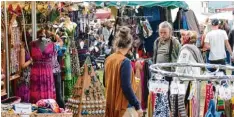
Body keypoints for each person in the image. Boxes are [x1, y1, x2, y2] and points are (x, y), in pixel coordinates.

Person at [104, 26, 143, 117]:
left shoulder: (109, 59)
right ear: (130, 45)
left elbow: (105, 82)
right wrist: (137, 105)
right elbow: (126, 87)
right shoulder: (125, 61)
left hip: (111, 103)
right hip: (123, 106)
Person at [16, 31, 33, 102]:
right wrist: (30, 61)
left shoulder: (26, 49)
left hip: (27, 76)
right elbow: (22, 65)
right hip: (24, 76)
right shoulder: (23, 50)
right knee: (24, 94)